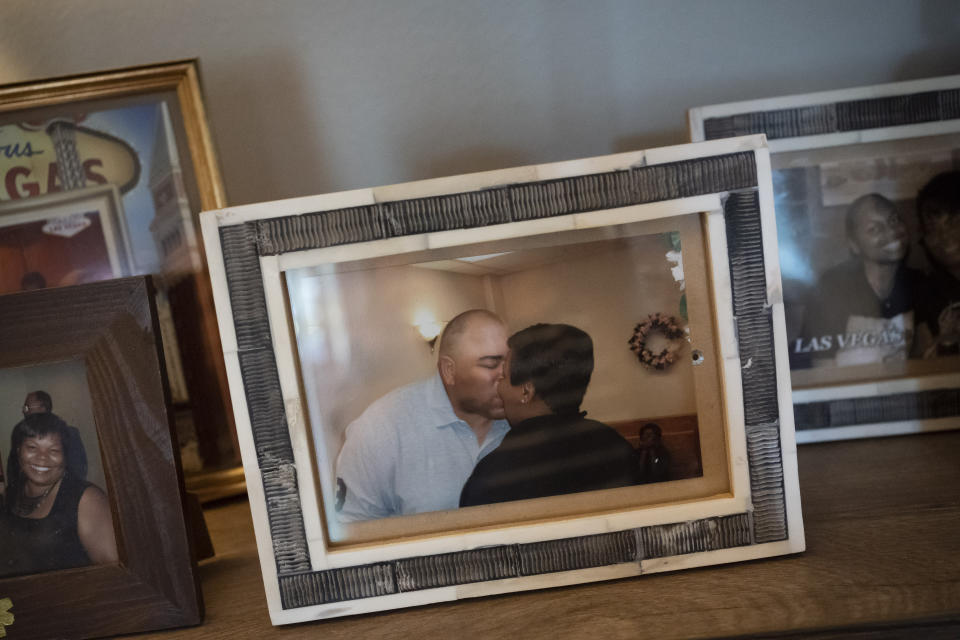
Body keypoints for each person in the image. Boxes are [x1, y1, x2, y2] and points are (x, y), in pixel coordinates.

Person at [335, 309, 510, 522]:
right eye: (492, 364)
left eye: (509, 363)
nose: (506, 375)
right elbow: (354, 530)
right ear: (449, 370)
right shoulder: (380, 428)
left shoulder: (524, 417)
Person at [460, 323, 641, 507]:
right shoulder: (617, 447)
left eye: (504, 377)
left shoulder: (496, 474)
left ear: (526, 391)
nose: (499, 387)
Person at [797, 193, 920, 367]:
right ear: (854, 245)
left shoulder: (918, 283)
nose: (891, 231)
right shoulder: (831, 289)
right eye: (874, 229)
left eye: (893, 220)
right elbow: (822, 371)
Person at [0, 412, 117, 578]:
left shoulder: (87, 499)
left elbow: (115, 572)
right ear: (19, 451)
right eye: (32, 447)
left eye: (54, 450)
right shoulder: (11, 493)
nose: (42, 458)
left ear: (65, 456)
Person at [914, 171, 960, 357]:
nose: (944, 236)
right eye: (932, 228)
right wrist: (944, 338)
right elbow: (922, 365)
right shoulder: (927, 291)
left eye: (954, 223)